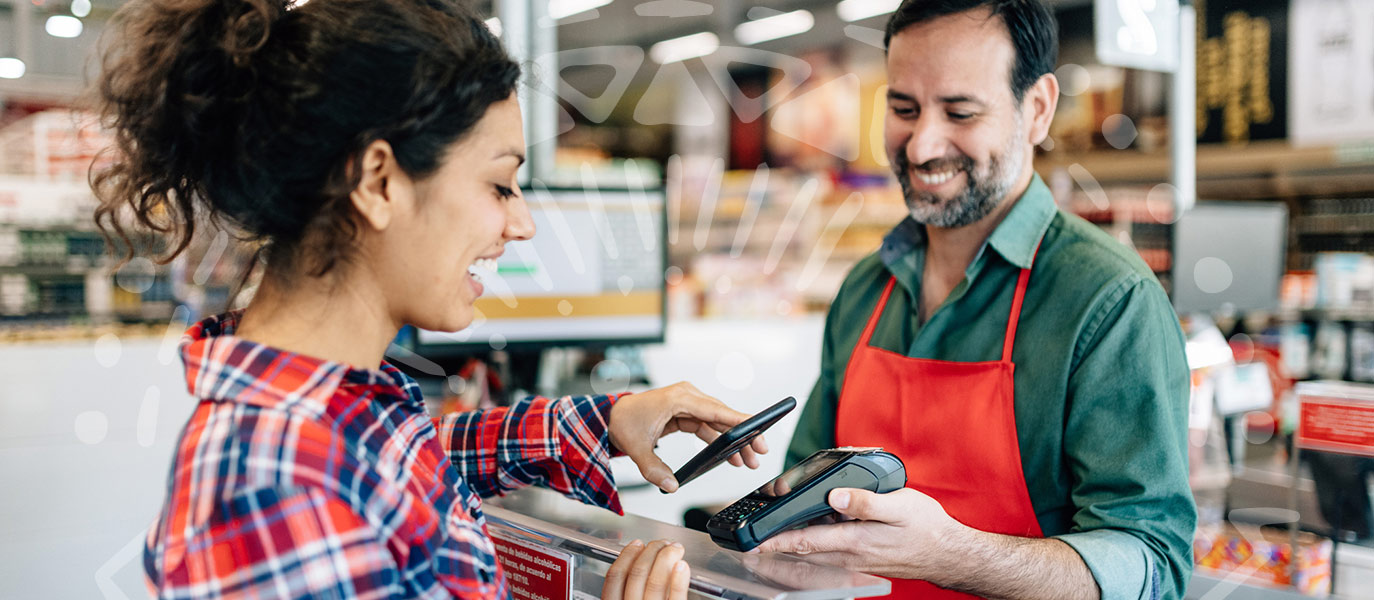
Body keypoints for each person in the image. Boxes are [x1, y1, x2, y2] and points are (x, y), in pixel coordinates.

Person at [91, 0, 767, 598]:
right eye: (500, 186)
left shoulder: (336, 402)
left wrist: (604, 420)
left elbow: (408, 458)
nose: (522, 224)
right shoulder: (277, 484)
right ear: (379, 181)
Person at [765, 1, 1196, 599]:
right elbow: (804, 495)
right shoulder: (867, 288)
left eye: (960, 111)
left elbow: (1151, 563)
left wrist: (953, 556)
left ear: (1038, 109)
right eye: (903, 109)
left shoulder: (1110, 301)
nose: (920, 147)